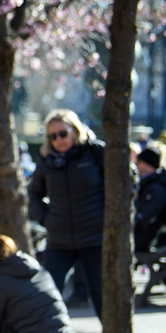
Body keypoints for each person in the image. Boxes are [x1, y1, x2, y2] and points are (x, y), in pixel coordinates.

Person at [27, 109, 110, 318]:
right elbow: (34, 193)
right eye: (52, 136)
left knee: (101, 293)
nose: (58, 140)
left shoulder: (94, 152)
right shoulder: (47, 160)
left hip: (93, 236)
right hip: (60, 238)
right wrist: (46, 218)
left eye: (62, 133)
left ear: (75, 131)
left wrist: (105, 217)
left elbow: (124, 179)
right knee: (47, 291)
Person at [134, 144, 166, 252]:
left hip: (146, 238)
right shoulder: (155, 184)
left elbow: (143, 217)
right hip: (148, 235)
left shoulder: (156, 188)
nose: (136, 165)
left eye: (138, 162)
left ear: (146, 164)